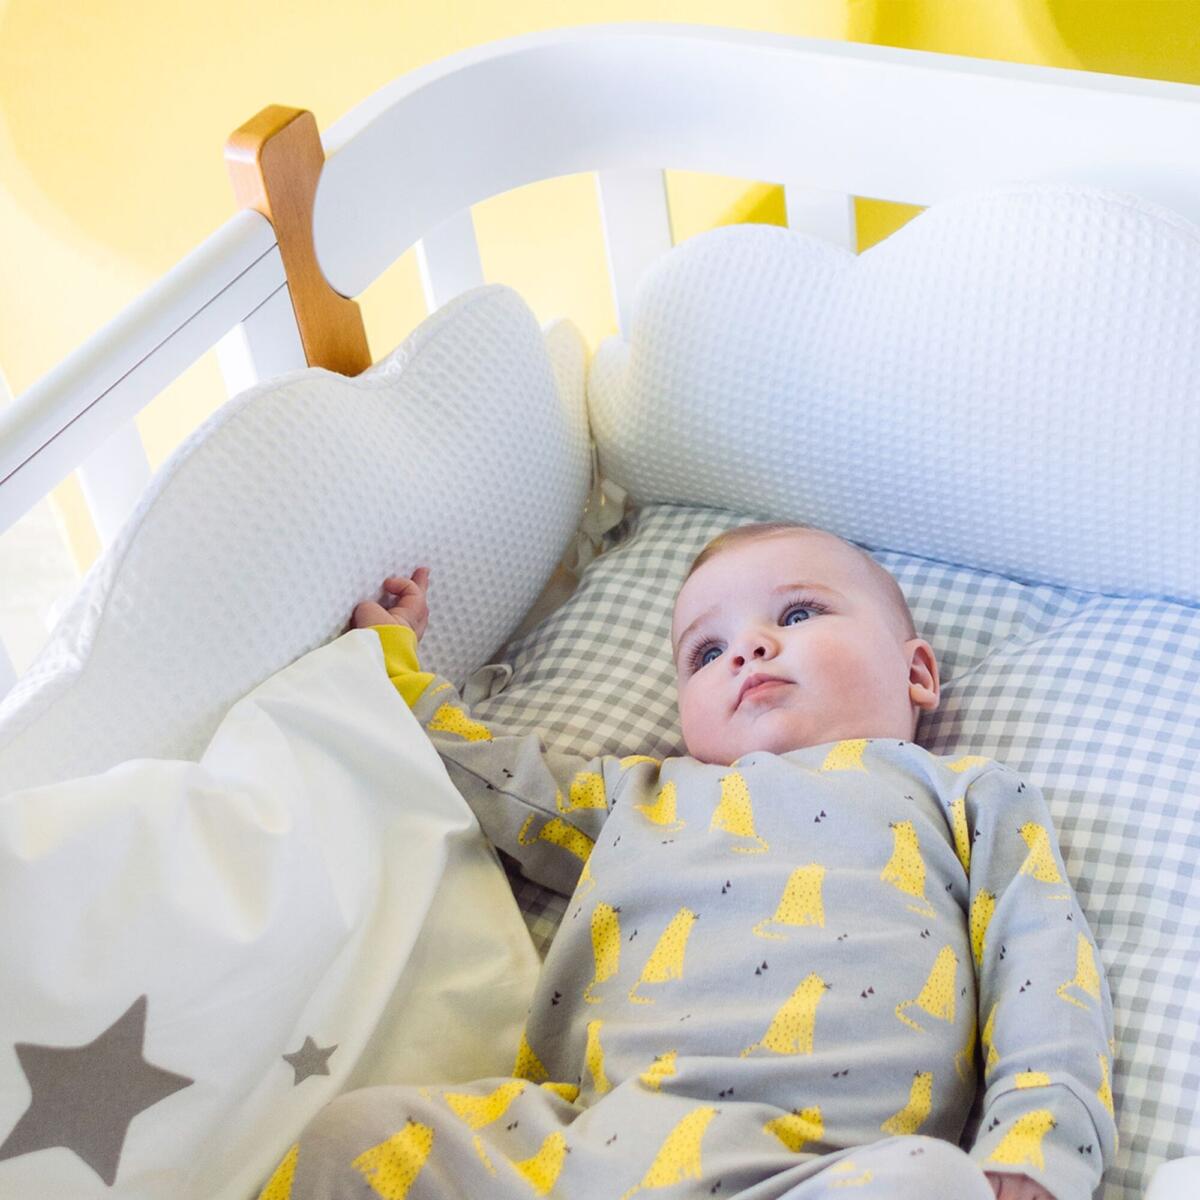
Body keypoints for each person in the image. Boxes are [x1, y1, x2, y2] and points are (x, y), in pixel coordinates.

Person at [266, 522, 1116, 1200]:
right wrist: (396, 667)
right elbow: (490, 780)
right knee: (359, 1139)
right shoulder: (642, 797)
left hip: (824, 1166)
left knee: (933, 1183)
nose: (748, 649)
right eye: (707, 653)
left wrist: (1036, 1141)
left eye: (797, 615)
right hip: (588, 1148)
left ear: (917, 671)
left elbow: (1043, 962)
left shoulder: (962, 795)